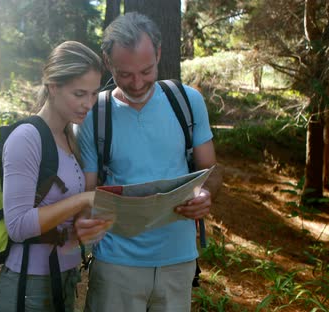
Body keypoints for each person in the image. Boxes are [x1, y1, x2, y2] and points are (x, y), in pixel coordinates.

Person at [75, 13, 223, 312]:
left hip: (178, 260)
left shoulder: (187, 101)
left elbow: (211, 171)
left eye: (146, 70)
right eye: (125, 73)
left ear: (158, 53)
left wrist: (205, 195)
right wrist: (82, 217)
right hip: (116, 264)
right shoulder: (95, 116)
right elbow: (87, 192)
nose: (137, 83)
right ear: (107, 61)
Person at [0, 41, 111, 312]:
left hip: (64, 275)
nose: (88, 104)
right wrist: (83, 199)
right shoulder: (27, 138)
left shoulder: (69, 136)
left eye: (94, 94)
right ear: (53, 86)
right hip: (30, 283)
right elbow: (18, 225)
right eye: (79, 93)